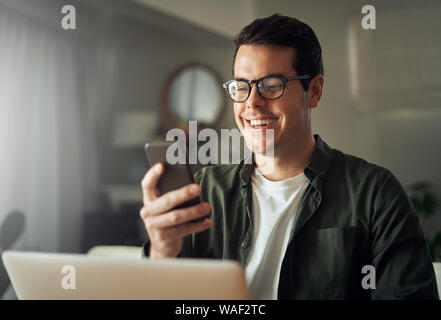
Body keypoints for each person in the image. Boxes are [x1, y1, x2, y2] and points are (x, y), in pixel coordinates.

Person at [139, 14, 439, 299]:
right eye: (241, 87)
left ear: (315, 91)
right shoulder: (206, 189)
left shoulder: (375, 193)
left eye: (271, 85)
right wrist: (162, 251)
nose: (252, 103)